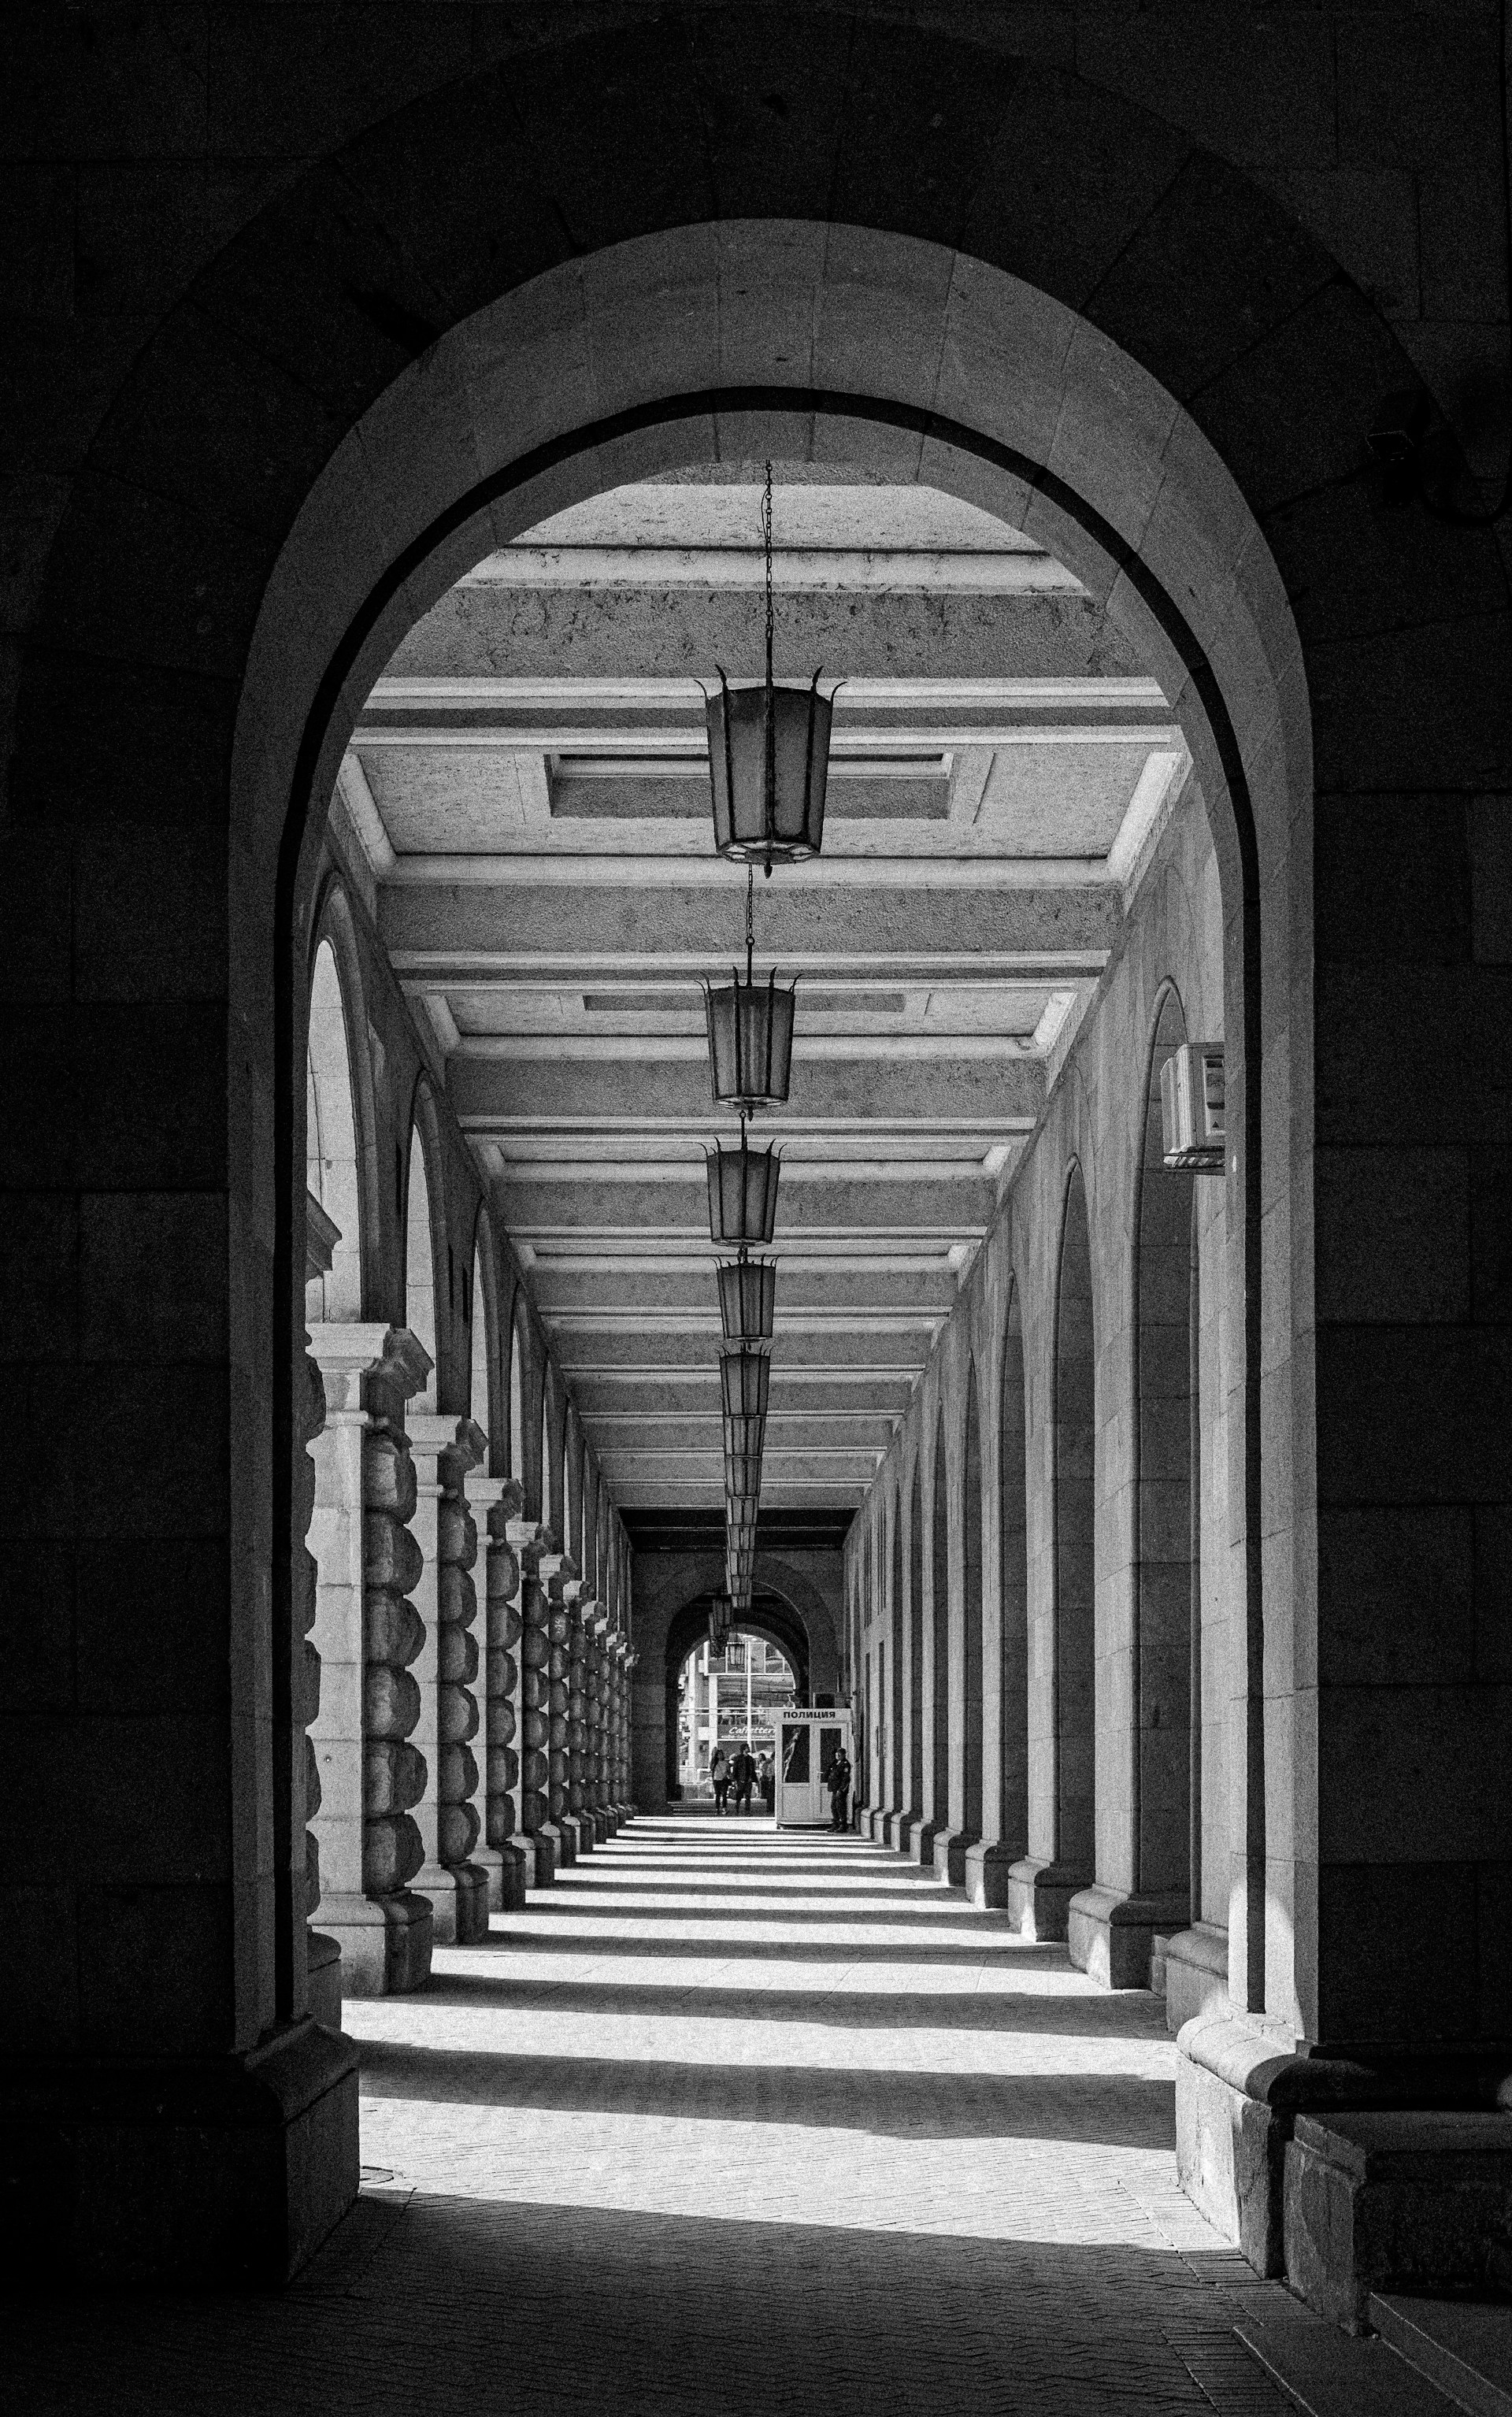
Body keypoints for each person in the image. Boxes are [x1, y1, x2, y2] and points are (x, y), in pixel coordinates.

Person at [828, 1743, 852, 1833]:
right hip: (835, 1788)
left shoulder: (845, 1764)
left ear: (844, 1755)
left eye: (839, 1755)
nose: (837, 1756)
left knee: (841, 1807)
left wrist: (841, 1789)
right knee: (834, 1806)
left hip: (841, 1789)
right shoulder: (835, 1763)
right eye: (836, 1755)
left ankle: (843, 1825)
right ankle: (836, 1823)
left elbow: (846, 1778)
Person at [730, 1740, 756, 1815]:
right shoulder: (738, 1758)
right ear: (744, 1749)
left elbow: (752, 1769)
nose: (749, 1748)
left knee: (748, 1797)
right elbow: (735, 1769)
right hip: (740, 1780)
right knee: (739, 1796)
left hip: (748, 1780)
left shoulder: (750, 1758)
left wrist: (753, 1778)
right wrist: (734, 1779)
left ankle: (747, 1811)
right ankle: (737, 1809)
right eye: (748, 1747)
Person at [710, 1744, 729, 1814]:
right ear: (717, 1756)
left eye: (721, 1754)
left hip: (724, 1779)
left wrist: (728, 1775)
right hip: (716, 1779)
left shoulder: (726, 1763)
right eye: (719, 1754)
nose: (720, 1756)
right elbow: (711, 1769)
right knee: (718, 1794)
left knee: (724, 1794)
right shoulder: (715, 1763)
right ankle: (717, 1808)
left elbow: (728, 1771)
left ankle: (724, 1807)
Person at [758, 1750, 776, 1814]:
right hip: (773, 1779)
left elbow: (768, 1772)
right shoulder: (771, 1763)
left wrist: (769, 1777)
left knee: (770, 1795)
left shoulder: (769, 1763)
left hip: (771, 1779)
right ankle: (771, 1807)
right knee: (772, 1794)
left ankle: (770, 1808)